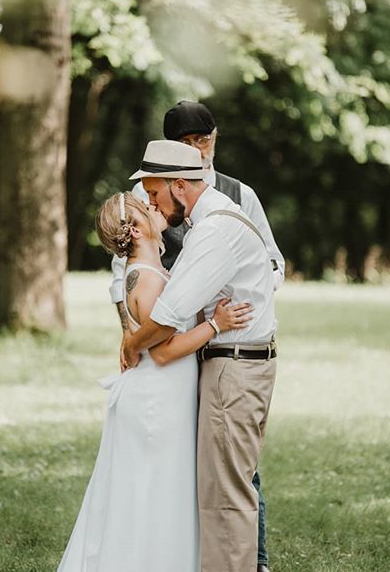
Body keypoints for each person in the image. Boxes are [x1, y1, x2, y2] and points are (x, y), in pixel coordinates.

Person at [110, 100, 282, 572]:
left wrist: (131, 342)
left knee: (225, 500)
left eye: (154, 193)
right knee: (219, 491)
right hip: (227, 362)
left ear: (179, 186)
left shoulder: (214, 231)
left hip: (233, 368)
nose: (151, 204)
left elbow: (167, 315)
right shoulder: (211, 219)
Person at [57, 191, 254, 572]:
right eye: (144, 207)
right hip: (154, 402)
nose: (152, 206)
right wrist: (217, 325)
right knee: (152, 495)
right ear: (134, 229)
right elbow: (163, 351)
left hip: (166, 397)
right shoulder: (144, 280)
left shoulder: (153, 272)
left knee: (161, 492)